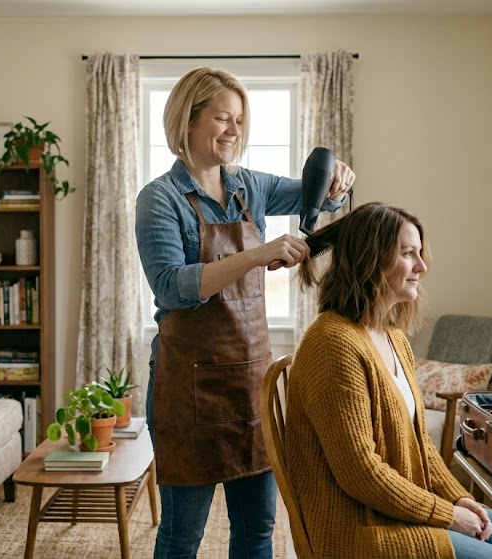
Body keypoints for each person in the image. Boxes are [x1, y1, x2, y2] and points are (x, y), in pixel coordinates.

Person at [135, 66, 355, 559]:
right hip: (188, 388)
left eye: (239, 120)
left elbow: (319, 195)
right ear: (187, 121)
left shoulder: (249, 186)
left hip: (251, 384)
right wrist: (256, 253)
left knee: (258, 531)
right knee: (181, 535)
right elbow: (172, 287)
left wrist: (341, 183)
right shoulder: (159, 199)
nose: (234, 131)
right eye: (222, 118)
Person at [287, 203, 492, 559]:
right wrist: (447, 515)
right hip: (362, 528)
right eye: (408, 254)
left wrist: (457, 496)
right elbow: (361, 474)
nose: (422, 267)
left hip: (399, 508)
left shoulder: (392, 336)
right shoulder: (332, 343)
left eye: (419, 253)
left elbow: (420, 446)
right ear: (372, 260)